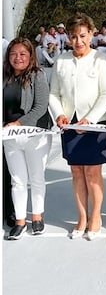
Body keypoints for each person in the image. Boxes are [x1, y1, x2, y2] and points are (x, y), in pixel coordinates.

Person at [48, 14, 106, 240]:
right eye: (74, 36)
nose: (78, 41)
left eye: (83, 36)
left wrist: (91, 120)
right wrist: (59, 115)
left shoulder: (101, 59)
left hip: (96, 124)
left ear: (92, 34)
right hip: (69, 123)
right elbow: (53, 93)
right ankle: (82, 217)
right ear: (68, 37)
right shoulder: (62, 61)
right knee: (76, 171)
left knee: (93, 172)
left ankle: (96, 216)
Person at [3, 38, 52, 239]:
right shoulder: (5, 77)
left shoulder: (37, 75)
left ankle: (38, 217)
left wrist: (19, 124)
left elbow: (40, 107)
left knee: (36, 177)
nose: (18, 58)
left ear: (31, 56)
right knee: (17, 180)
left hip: (34, 134)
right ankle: (20, 220)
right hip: (10, 136)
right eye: (14, 53)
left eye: (23, 53)